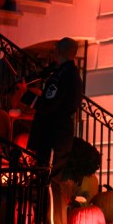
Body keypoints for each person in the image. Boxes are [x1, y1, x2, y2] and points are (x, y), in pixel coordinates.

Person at [23, 37, 83, 176]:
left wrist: (25, 95)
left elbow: (48, 105)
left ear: (57, 52)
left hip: (52, 135)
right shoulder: (72, 74)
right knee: (49, 177)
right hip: (60, 134)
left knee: (46, 177)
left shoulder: (61, 76)